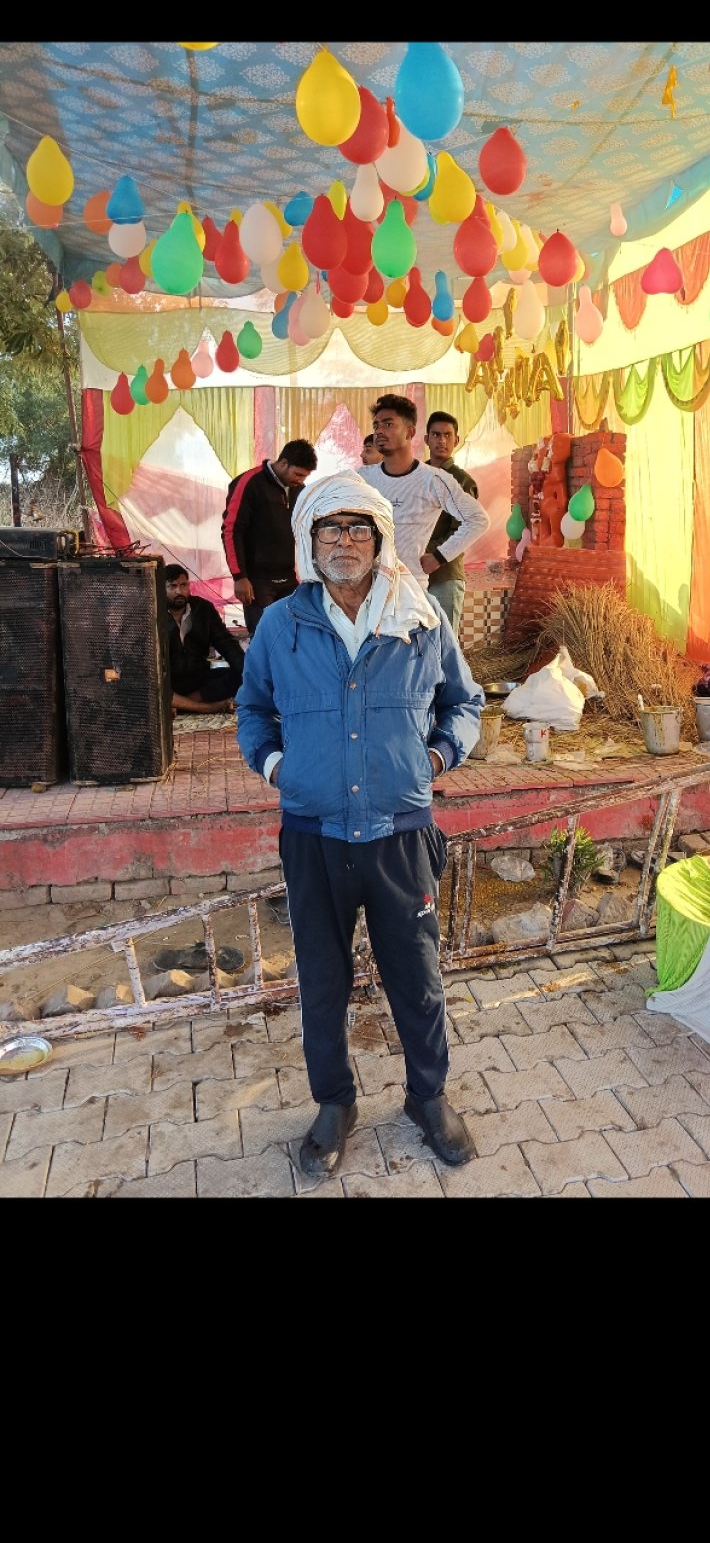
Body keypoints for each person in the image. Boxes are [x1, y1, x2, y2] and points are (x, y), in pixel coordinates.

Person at [236, 470, 485, 1179]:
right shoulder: (283, 624)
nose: (344, 542)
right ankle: (334, 1102)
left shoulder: (421, 616)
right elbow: (252, 709)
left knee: (417, 976)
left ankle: (428, 1098)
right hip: (313, 832)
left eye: (358, 529)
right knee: (321, 977)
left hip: (400, 832)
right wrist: (277, 766)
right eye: (329, 530)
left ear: (380, 540)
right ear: (308, 542)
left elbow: (464, 703)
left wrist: (439, 754)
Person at [365, 393, 489, 596]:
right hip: (374, 588)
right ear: (426, 439)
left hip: (431, 580)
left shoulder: (438, 479)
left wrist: (437, 556)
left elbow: (477, 520)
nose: (379, 431)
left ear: (409, 432)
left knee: (441, 627)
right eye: (376, 425)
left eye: (388, 424)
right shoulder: (363, 478)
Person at [221, 439, 317, 637]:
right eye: (298, 474)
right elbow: (231, 531)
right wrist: (239, 577)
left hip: (289, 575)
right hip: (257, 581)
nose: (300, 480)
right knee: (264, 637)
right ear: (283, 463)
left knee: (296, 634)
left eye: (304, 476)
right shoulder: (249, 482)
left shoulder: (299, 489)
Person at [423, 410, 480, 634]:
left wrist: (428, 553)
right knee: (420, 643)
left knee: (446, 643)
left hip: (445, 574)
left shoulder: (462, 481)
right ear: (426, 439)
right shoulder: (417, 476)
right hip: (414, 572)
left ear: (456, 440)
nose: (442, 441)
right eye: (436, 435)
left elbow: (464, 530)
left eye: (447, 435)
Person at [164, 563, 246, 714]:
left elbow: (225, 642)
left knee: (237, 675)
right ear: (161, 589)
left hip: (197, 677)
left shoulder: (203, 609)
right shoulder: (153, 613)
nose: (179, 591)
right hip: (169, 681)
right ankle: (207, 708)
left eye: (183, 585)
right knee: (147, 686)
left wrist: (247, 670)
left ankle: (181, 705)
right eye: (172, 586)